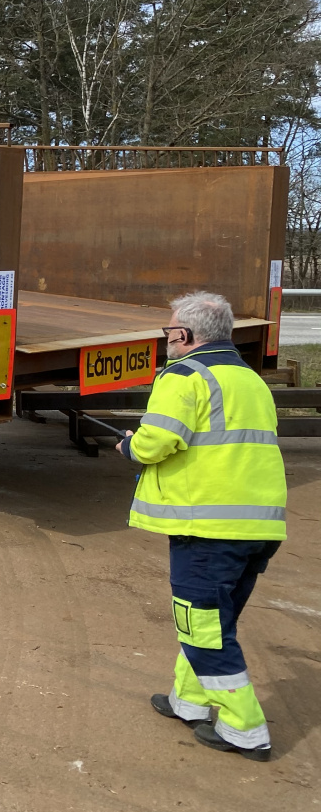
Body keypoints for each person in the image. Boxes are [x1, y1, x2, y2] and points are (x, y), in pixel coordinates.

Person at [116, 291, 286, 761]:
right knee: (213, 621)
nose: (167, 339)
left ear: (185, 334)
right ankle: (187, 700)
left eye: (169, 331)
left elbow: (155, 443)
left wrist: (129, 446)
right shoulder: (250, 379)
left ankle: (245, 729)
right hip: (259, 527)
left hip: (209, 529)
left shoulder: (184, 374)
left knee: (204, 629)